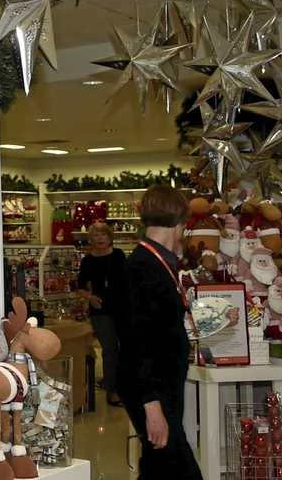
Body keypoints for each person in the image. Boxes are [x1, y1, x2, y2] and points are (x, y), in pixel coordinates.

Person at [117, 185, 202, 479]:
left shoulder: (154, 262)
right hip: (152, 390)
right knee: (176, 466)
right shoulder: (143, 267)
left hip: (160, 386)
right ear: (180, 224)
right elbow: (135, 342)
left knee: (159, 466)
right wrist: (152, 406)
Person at [76, 222, 125, 406]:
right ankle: (112, 392)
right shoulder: (88, 260)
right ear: (91, 239)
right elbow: (80, 287)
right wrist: (90, 297)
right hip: (100, 310)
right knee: (110, 349)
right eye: (96, 235)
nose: (100, 238)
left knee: (124, 348)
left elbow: (129, 280)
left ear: (109, 237)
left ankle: (122, 387)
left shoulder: (119, 255)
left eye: (103, 234)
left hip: (122, 308)